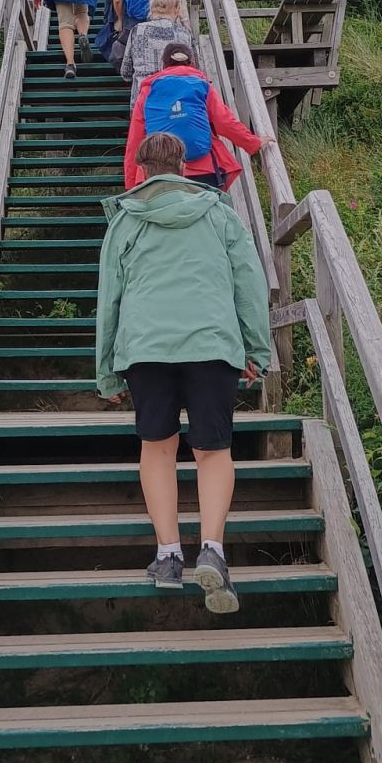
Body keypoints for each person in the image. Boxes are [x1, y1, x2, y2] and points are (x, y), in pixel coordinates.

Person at [96, 131, 272, 612]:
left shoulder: (126, 221)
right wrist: (257, 347)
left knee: (157, 448)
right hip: (212, 343)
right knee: (213, 451)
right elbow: (249, 281)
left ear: (141, 168)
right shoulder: (218, 214)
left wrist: (107, 369)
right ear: (185, 164)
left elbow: (109, 296)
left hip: (146, 347)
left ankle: (169, 556)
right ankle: (212, 549)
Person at [125, 42, 273, 191]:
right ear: (192, 63)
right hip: (204, 170)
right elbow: (225, 122)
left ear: (163, 65)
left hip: (157, 175)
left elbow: (135, 139)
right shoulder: (202, 85)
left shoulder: (148, 91)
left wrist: (131, 185)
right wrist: (253, 143)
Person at [121, 0, 194, 105]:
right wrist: (185, 21)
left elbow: (126, 72)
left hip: (144, 97)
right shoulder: (184, 34)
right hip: (177, 99)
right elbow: (194, 67)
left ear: (152, 7)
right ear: (177, 9)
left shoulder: (138, 30)